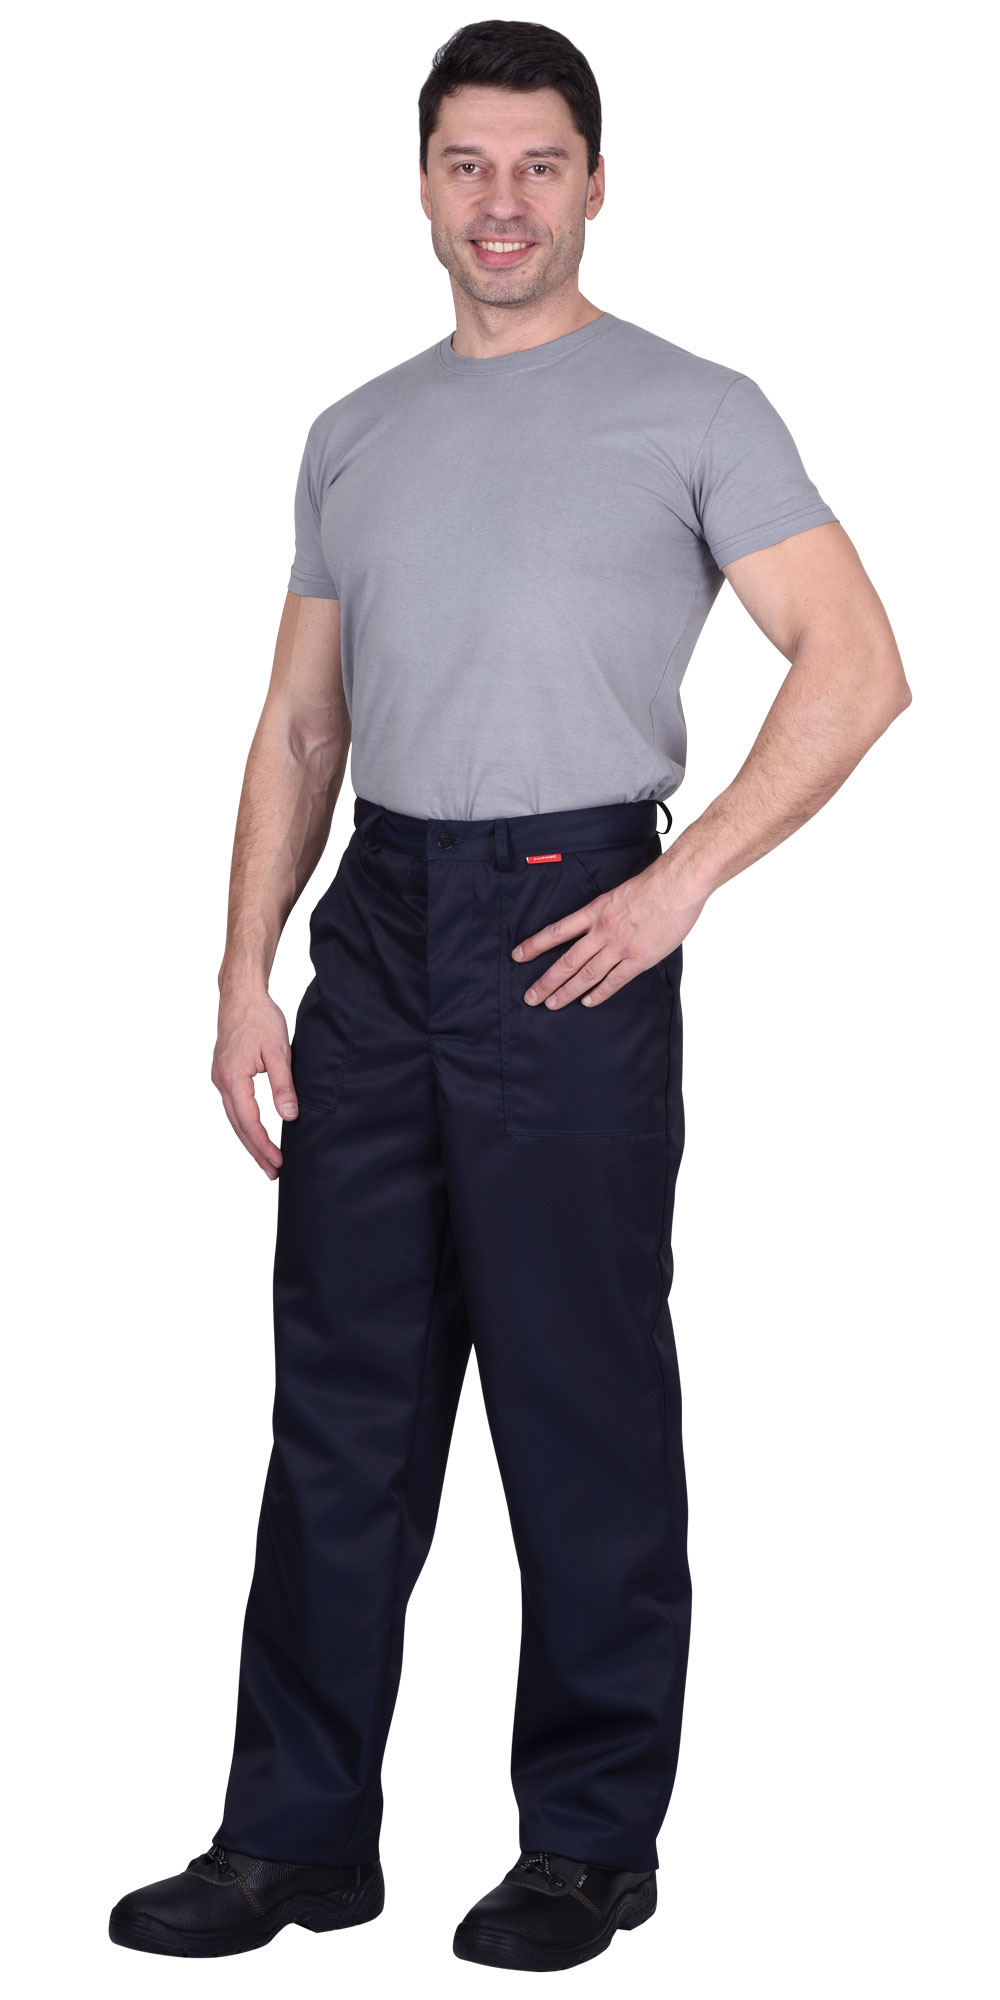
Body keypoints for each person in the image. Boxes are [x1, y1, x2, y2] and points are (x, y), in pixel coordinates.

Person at [109, 17, 911, 1974]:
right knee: (342, 1405)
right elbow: (302, 724)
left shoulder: (693, 408)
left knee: (576, 1394)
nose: (501, 201)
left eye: (538, 164)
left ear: (596, 183)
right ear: (420, 182)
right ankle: (295, 1838)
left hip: (571, 915)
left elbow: (854, 663)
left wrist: (677, 883)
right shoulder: (355, 431)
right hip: (379, 930)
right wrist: (242, 972)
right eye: (466, 163)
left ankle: (587, 1843)